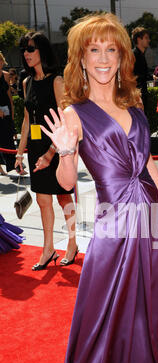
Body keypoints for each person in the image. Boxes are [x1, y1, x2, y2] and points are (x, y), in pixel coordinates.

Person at [41, 13, 158, 363]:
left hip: (147, 215)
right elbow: (67, 183)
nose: (103, 58)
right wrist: (66, 151)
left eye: (111, 49)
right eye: (94, 50)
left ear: (121, 56)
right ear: (81, 59)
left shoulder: (133, 103)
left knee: (143, 302)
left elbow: (147, 161)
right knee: (100, 305)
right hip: (113, 217)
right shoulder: (74, 112)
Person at [15, 32, 78, 270]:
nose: (26, 54)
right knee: (42, 200)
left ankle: (72, 243)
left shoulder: (56, 81)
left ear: (42, 51)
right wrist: (20, 153)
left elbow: (65, 121)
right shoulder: (26, 82)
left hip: (58, 148)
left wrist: (51, 154)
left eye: (30, 49)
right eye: (24, 50)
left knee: (63, 197)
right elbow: (26, 120)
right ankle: (49, 248)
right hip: (36, 148)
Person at [0, 52, 16, 175]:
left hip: (6, 109)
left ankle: (13, 165)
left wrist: (12, 110)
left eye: (1, 60)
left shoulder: (6, 75)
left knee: (9, 137)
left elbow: (9, 95)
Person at [132, 27, 150, 113]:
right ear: (139, 39)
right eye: (146, 38)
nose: (149, 40)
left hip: (141, 94)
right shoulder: (133, 55)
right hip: (137, 96)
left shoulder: (141, 55)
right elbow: (133, 76)